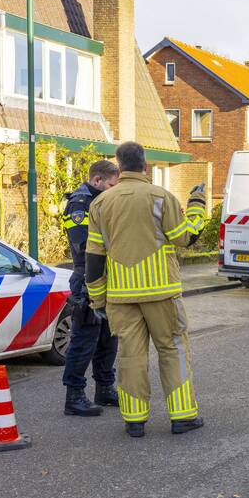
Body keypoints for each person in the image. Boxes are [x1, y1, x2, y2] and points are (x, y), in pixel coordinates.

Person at [85, 142, 208, 438]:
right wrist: (197, 205)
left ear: (119, 165)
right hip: (162, 292)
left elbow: (94, 256)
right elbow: (186, 238)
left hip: (121, 296)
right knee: (172, 349)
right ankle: (182, 417)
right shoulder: (160, 197)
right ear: (145, 166)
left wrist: (97, 298)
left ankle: (135, 421)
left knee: (130, 356)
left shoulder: (100, 203)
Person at [61, 160, 121, 417]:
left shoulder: (103, 202)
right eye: (110, 185)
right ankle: (74, 396)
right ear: (96, 181)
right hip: (87, 279)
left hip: (108, 279)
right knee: (85, 340)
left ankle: (104, 388)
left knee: (109, 338)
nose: (112, 189)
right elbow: (84, 244)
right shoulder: (80, 204)